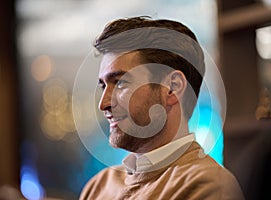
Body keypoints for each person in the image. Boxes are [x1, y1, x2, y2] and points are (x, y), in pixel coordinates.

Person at [79, 16, 245, 200]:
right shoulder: (98, 187)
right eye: (103, 86)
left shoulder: (208, 187)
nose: (104, 104)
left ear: (172, 87)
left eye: (120, 83)